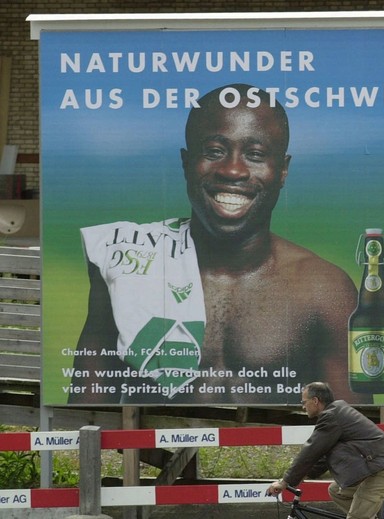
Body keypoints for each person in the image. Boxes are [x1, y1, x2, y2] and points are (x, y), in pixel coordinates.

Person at [68, 84, 366, 405]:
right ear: (186, 163)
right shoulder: (128, 266)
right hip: (156, 455)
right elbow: (88, 413)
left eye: (255, 155)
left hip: (284, 455)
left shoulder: (324, 289)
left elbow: (354, 427)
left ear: (282, 171)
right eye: (214, 151)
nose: (233, 170)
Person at [268, 382, 384, 519]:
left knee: (357, 517)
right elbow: (321, 456)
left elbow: (311, 450)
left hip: (381, 471)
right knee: (336, 490)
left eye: (304, 402)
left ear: (315, 401)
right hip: (375, 468)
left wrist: (285, 481)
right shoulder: (336, 413)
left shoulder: (331, 416)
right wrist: (303, 475)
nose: (303, 407)